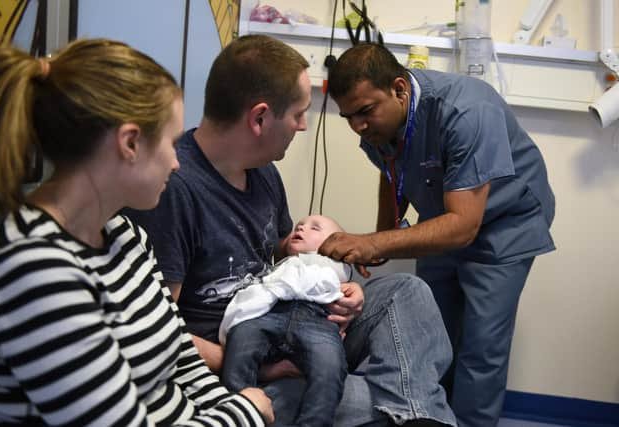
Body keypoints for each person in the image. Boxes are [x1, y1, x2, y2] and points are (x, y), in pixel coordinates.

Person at [126, 34, 456, 427]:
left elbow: (280, 251)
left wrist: (343, 288)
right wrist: (258, 368)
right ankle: (414, 411)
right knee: (394, 396)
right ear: (260, 118)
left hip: (296, 323)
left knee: (407, 292)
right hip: (237, 365)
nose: (303, 127)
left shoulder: (263, 171)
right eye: (299, 113)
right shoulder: (174, 190)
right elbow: (159, 330)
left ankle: (411, 411)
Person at [0, 38, 273, 426]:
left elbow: (180, 358)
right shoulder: (34, 270)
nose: (176, 163)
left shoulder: (124, 234)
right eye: (170, 144)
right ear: (130, 143)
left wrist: (232, 406)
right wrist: (245, 413)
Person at [321, 42, 556, 427]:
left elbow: (463, 226)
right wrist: (387, 231)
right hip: (444, 217)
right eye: (347, 117)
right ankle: (432, 419)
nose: (358, 127)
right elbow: (390, 167)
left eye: (364, 112)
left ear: (399, 89)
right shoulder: (378, 121)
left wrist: (373, 241)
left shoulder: (466, 110)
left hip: (504, 223)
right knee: (432, 333)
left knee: (480, 347)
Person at [221, 215, 352, 427]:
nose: (301, 227)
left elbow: (342, 276)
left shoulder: (336, 266)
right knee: (240, 340)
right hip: (270, 311)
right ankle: (237, 409)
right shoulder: (280, 265)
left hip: (316, 318)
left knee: (331, 365)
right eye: (300, 225)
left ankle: (314, 422)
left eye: (315, 228)